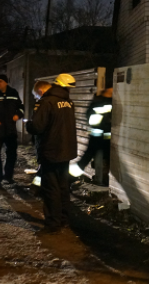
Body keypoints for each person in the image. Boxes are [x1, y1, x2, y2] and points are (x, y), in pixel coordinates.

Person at [25, 74, 77, 234]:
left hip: (51, 151)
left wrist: (29, 125)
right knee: (63, 187)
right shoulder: (68, 102)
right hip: (66, 151)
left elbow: (37, 127)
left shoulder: (46, 102)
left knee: (51, 188)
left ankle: (52, 224)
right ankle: (63, 220)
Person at [0, 74, 24, 187]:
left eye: (0, 81)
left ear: (6, 82)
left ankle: (8, 176)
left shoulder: (13, 93)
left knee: (12, 154)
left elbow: (21, 106)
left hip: (10, 130)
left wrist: (18, 115)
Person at [74, 87, 112, 186]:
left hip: (106, 137)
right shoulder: (99, 101)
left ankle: (103, 180)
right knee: (87, 157)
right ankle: (70, 177)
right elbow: (91, 118)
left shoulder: (110, 101)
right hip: (97, 137)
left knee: (106, 160)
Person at [29, 80, 52, 189]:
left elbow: (37, 126)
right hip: (58, 146)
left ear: (40, 91)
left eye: (35, 95)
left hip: (46, 144)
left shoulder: (43, 104)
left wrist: (29, 125)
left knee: (44, 167)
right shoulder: (62, 102)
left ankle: (37, 188)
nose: (35, 98)